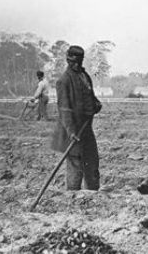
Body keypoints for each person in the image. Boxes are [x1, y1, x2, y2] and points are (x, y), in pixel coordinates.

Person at [50, 45, 103, 191]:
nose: (76, 65)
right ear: (67, 60)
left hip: (86, 130)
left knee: (92, 163)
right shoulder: (64, 81)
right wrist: (71, 131)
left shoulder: (85, 76)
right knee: (75, 166)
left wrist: (96, 105)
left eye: (79, 62)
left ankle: (93, 195)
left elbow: (91, 98)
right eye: (72, 62)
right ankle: (72, 198)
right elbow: (64, 109)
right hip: (72, 132)